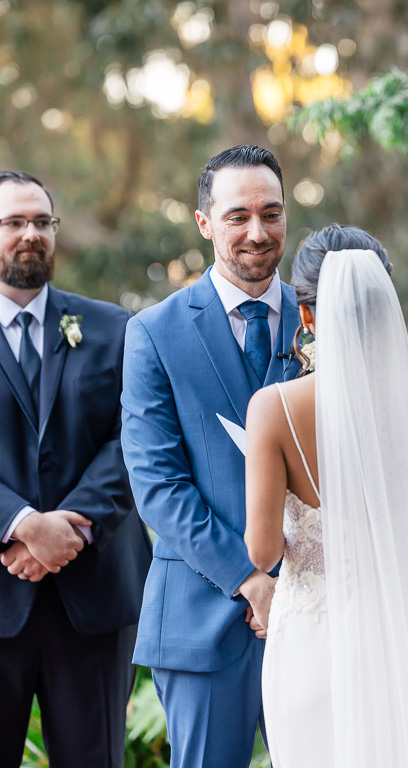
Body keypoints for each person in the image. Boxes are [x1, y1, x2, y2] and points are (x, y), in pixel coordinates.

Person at [245, 224, 408, 768]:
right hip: (398, 640)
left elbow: (263, 552)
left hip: (312, 646)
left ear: (307, 314)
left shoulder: (273, 408)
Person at [121, 145, 301, 768]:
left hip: (320, 612)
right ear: (204, 222)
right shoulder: (154, 332)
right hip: (202, 618)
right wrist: (252, 581)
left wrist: (296, 585)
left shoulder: (325, 320)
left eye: (272, 213)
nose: (258, 232)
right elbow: (158, 485)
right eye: (237, 216)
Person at [0, 171, 152, 768]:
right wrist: (19, 523)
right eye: (14, 222)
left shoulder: (113, 327)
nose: (31, 234)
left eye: (42, 221)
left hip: (94, 597)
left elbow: (135, 437)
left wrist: (72, 526)